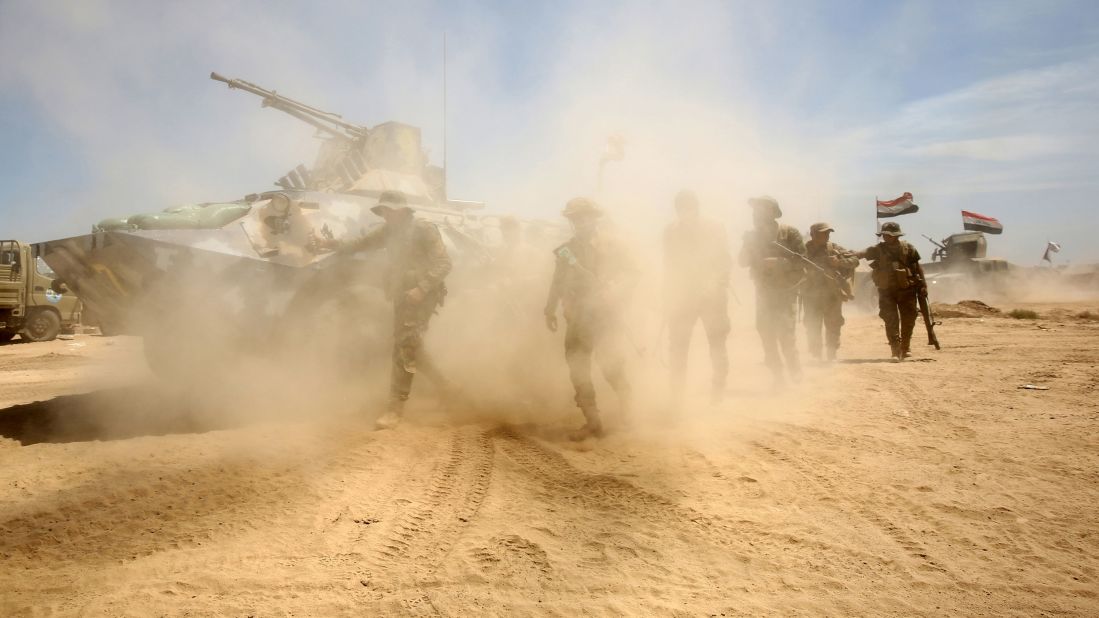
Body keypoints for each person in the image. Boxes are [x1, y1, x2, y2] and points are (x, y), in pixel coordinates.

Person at [313, 190, 453, 428]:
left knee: (404, 345)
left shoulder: (423, 229)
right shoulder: (389, 231)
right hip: (403, 295)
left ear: (401, 210)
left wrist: (422, 288)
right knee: (411, 344)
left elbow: (444, 263)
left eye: (387, 210)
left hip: (422, 294)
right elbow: (360, 244)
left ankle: (394, 410)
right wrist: (329, 244)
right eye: (382, 211)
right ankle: (447, 389)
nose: (384, 214)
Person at [544, 197, 637, 440]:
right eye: (576, 218)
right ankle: (592, 420)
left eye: (585, 217)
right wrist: (549, 308)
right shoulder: (566, 251)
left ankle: (628, 413)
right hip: (578, 316)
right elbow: (557, 281)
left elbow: (633, 273)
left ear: (595, 219)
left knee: (611, 365)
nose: (581, 222)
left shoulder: (612, 246)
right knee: (578, 368)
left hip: (605, 313)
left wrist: (615, 289)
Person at [662, 189, 731, 405]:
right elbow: (669, 264)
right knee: (677, 348)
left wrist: (715, 284)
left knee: (717, 345)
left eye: (689, 206)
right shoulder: (671, 231)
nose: (685, 211)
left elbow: (725, 261)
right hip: (682, 297)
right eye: (680, 207)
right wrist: (668, 295)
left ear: (696, 207)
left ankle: (717, 394)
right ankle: (676, 399)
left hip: (712, 297)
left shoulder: (714, 228)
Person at [738, 195, 805, 388]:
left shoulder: (789, 233)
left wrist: (780, 263)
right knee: (766, 335)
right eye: (754, 210)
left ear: (771, 212)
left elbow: (803, 261)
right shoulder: (752, 236)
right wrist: (747, 245)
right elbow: (742, 262)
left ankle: (795, 371)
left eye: (760, 209)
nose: (755, 214)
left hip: (786, 291)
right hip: (764, 293)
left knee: (786, 335)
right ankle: (778, 377)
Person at [859, 221, 926, 361]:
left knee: (908, 319)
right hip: (886, 291)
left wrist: (923, 285)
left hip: (906, 289)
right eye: (884, 235)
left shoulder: (908, 248)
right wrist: (846, 255)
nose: (886, 237)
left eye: (889, 235)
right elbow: (862, 253)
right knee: (890, 320)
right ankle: (895, 349)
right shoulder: (877, 249)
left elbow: (917, 267)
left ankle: (906, 347)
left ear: (896, 236)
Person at [802, 222, 859, 362]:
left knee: (834, 324)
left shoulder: (833, 248)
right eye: (823, 233)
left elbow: (855, 260)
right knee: (812, 325)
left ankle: (831, 353)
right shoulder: (803, 250)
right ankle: (816, 354)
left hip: (832, 294)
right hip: (810, 295)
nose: (826, 236)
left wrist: (839, 262)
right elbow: (793, 265)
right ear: (813, 234)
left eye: (828, 233)